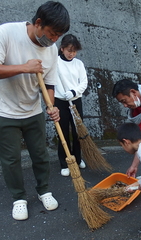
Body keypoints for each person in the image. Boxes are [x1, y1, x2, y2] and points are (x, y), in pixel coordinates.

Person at [0, 1, 70, 220]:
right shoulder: (7, 32)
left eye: (59, 36)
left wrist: (52, 107)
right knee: (10, 160)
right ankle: (19, 198)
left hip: (32, 112)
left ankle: (44, 190)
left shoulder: (51, 50)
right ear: (38, 23)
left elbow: (49, 85)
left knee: (40, 155)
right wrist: (24, 67)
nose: (54, 40)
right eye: (52, 33)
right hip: (4, 112)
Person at [55, 34, 88, 176]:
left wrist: (74, 91)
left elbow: (84, 83)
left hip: (75, 100)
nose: (71, 54)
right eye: (69, 50)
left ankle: (78, 158)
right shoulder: (54, 62)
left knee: (77, 131)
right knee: (62, 132)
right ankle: (65, 162)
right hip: (60, 101)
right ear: (62, 48)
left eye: (74, 51)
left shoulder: (78, 64)